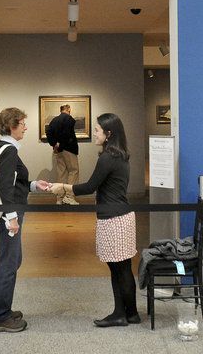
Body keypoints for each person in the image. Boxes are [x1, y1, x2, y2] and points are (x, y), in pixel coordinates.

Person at [51, 112, 140, 328]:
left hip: (113, 219)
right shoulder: (120, 154)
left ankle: (120, 314)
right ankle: (132, 314)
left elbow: (89, 187)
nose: (94, 133)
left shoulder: (107, 157)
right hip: (123, 216)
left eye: (98, 130)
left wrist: (62, 187)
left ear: (109, 134)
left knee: (117, 270)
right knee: (123, 268)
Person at [0, 107, 51, 333]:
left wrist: (35, 185)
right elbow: (6, 188)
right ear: (11, 125)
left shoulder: (4, 147)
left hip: (9, 213)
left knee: (12, 261)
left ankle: (2, 309)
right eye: (22, 123)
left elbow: (14, 182)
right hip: (9, 215)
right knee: (9, 263)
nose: (25, 127)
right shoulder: (9, 151)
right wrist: (11, 218)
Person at [46, 104, 80, 205]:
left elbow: (48, 132)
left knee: (61, 172)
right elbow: (66, 134)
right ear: (68, 109)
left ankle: (60, 198)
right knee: (74, 171)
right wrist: (61, 145)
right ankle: (69, 196)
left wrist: (55, 144)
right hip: (69, 149)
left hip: (59, 151)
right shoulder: (69, 119)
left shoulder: (54, 120)